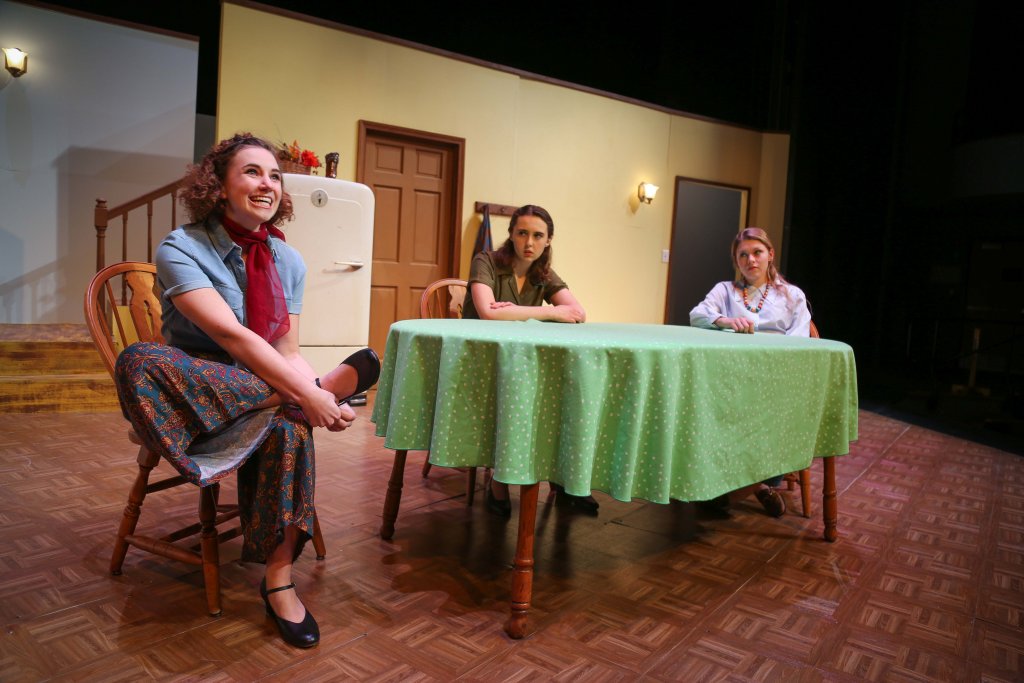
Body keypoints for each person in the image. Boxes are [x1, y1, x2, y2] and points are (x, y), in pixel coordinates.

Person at [114, 133, 377, 648]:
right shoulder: (181, 247)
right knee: (137, 361)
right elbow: (230, 336)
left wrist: (300, 386)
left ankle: (278, 579)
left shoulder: (287, 260)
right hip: (196, 395)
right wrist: (310, 392)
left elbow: (285, 349)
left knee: (291, 430)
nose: (267, 184)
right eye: (252, 172)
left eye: (275, 176)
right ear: (219, 185)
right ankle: (300, 395)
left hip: (263, 387)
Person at [462, 204, 597, 516]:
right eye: (522, 233)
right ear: (510, 234)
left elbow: (578, 313)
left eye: (538, 235)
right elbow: (487, 312)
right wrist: (549, 311)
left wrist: (516, 312)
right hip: (482, 362)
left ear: (548, 240)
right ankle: (499, 479)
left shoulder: (543, 273)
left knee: (565, 392)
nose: (529, 242)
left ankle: (563, 477)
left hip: (523, 363)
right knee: (517, 394)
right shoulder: (487, 261)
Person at [688, 227, 812, 517]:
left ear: (770, 255)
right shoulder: (726, 290)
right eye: (743, 255)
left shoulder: (791, 295)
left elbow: (799, 342)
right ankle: (757, 487)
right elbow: (697, 315)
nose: (750, 260)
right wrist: (727, 321)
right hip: (732, 380)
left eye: (757, 252)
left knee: (767, 414)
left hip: (776, 381)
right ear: (736, 260)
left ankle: (736, 489)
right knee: (707, 406)